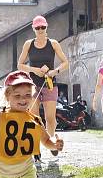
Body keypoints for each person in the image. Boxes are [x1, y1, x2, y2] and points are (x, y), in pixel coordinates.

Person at [17, 15, 69, 158]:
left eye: (43, 27)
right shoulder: (29, 44)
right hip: (32, 86)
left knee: (50, 118)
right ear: (33, 29)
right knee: (35, 118)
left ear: (46, 28)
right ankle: (35, 149)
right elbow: (20, 65)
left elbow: (65, 62)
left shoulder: (53, 44)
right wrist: (35, 70)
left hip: (49, 84)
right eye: (37, 27)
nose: (40, 30)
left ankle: (51, 142)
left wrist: (54, 71)